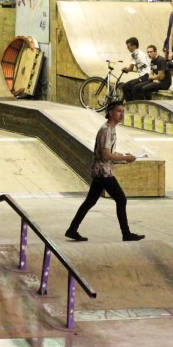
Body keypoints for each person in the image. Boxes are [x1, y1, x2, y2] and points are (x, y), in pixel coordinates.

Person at [65, 101, 145, 243]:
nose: (122, 114)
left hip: (101, 171)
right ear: (110, 112)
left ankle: (72, 229)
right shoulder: (106, 130)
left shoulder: (111, 129)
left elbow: (109, 152)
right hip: (103, 172)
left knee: (90, 201)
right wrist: (125, 158)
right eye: (119, 111)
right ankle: (126, 233)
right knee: (121, 199)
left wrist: (123, 155)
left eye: (123, 111)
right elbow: (106, 155)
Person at [119, 37, 150, 101]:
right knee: (127, 86)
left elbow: (130, 68)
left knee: (128, 86)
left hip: (146, 76)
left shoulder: (134, 54)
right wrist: (129, 70)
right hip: (145, 75)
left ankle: (132, 104)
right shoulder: (140, 53)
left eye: (128, 47)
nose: (128, 48)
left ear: (134, 46)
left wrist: (126, 69)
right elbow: (140, 68)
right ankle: (131, 104)